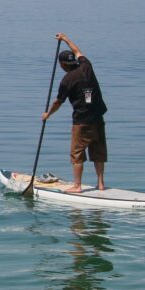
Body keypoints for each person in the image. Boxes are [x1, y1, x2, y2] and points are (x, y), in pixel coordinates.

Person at [41, 33, 108, 193]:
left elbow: (58, 101)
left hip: (82, 121)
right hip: (98, 117)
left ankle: (77, 186)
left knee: (77, 153)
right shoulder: (86, 66)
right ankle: (100, 184)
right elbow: (78, 51)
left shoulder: (67, 80)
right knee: (98, 151)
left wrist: (48, 114)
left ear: (62, 65)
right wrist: (65, 39)